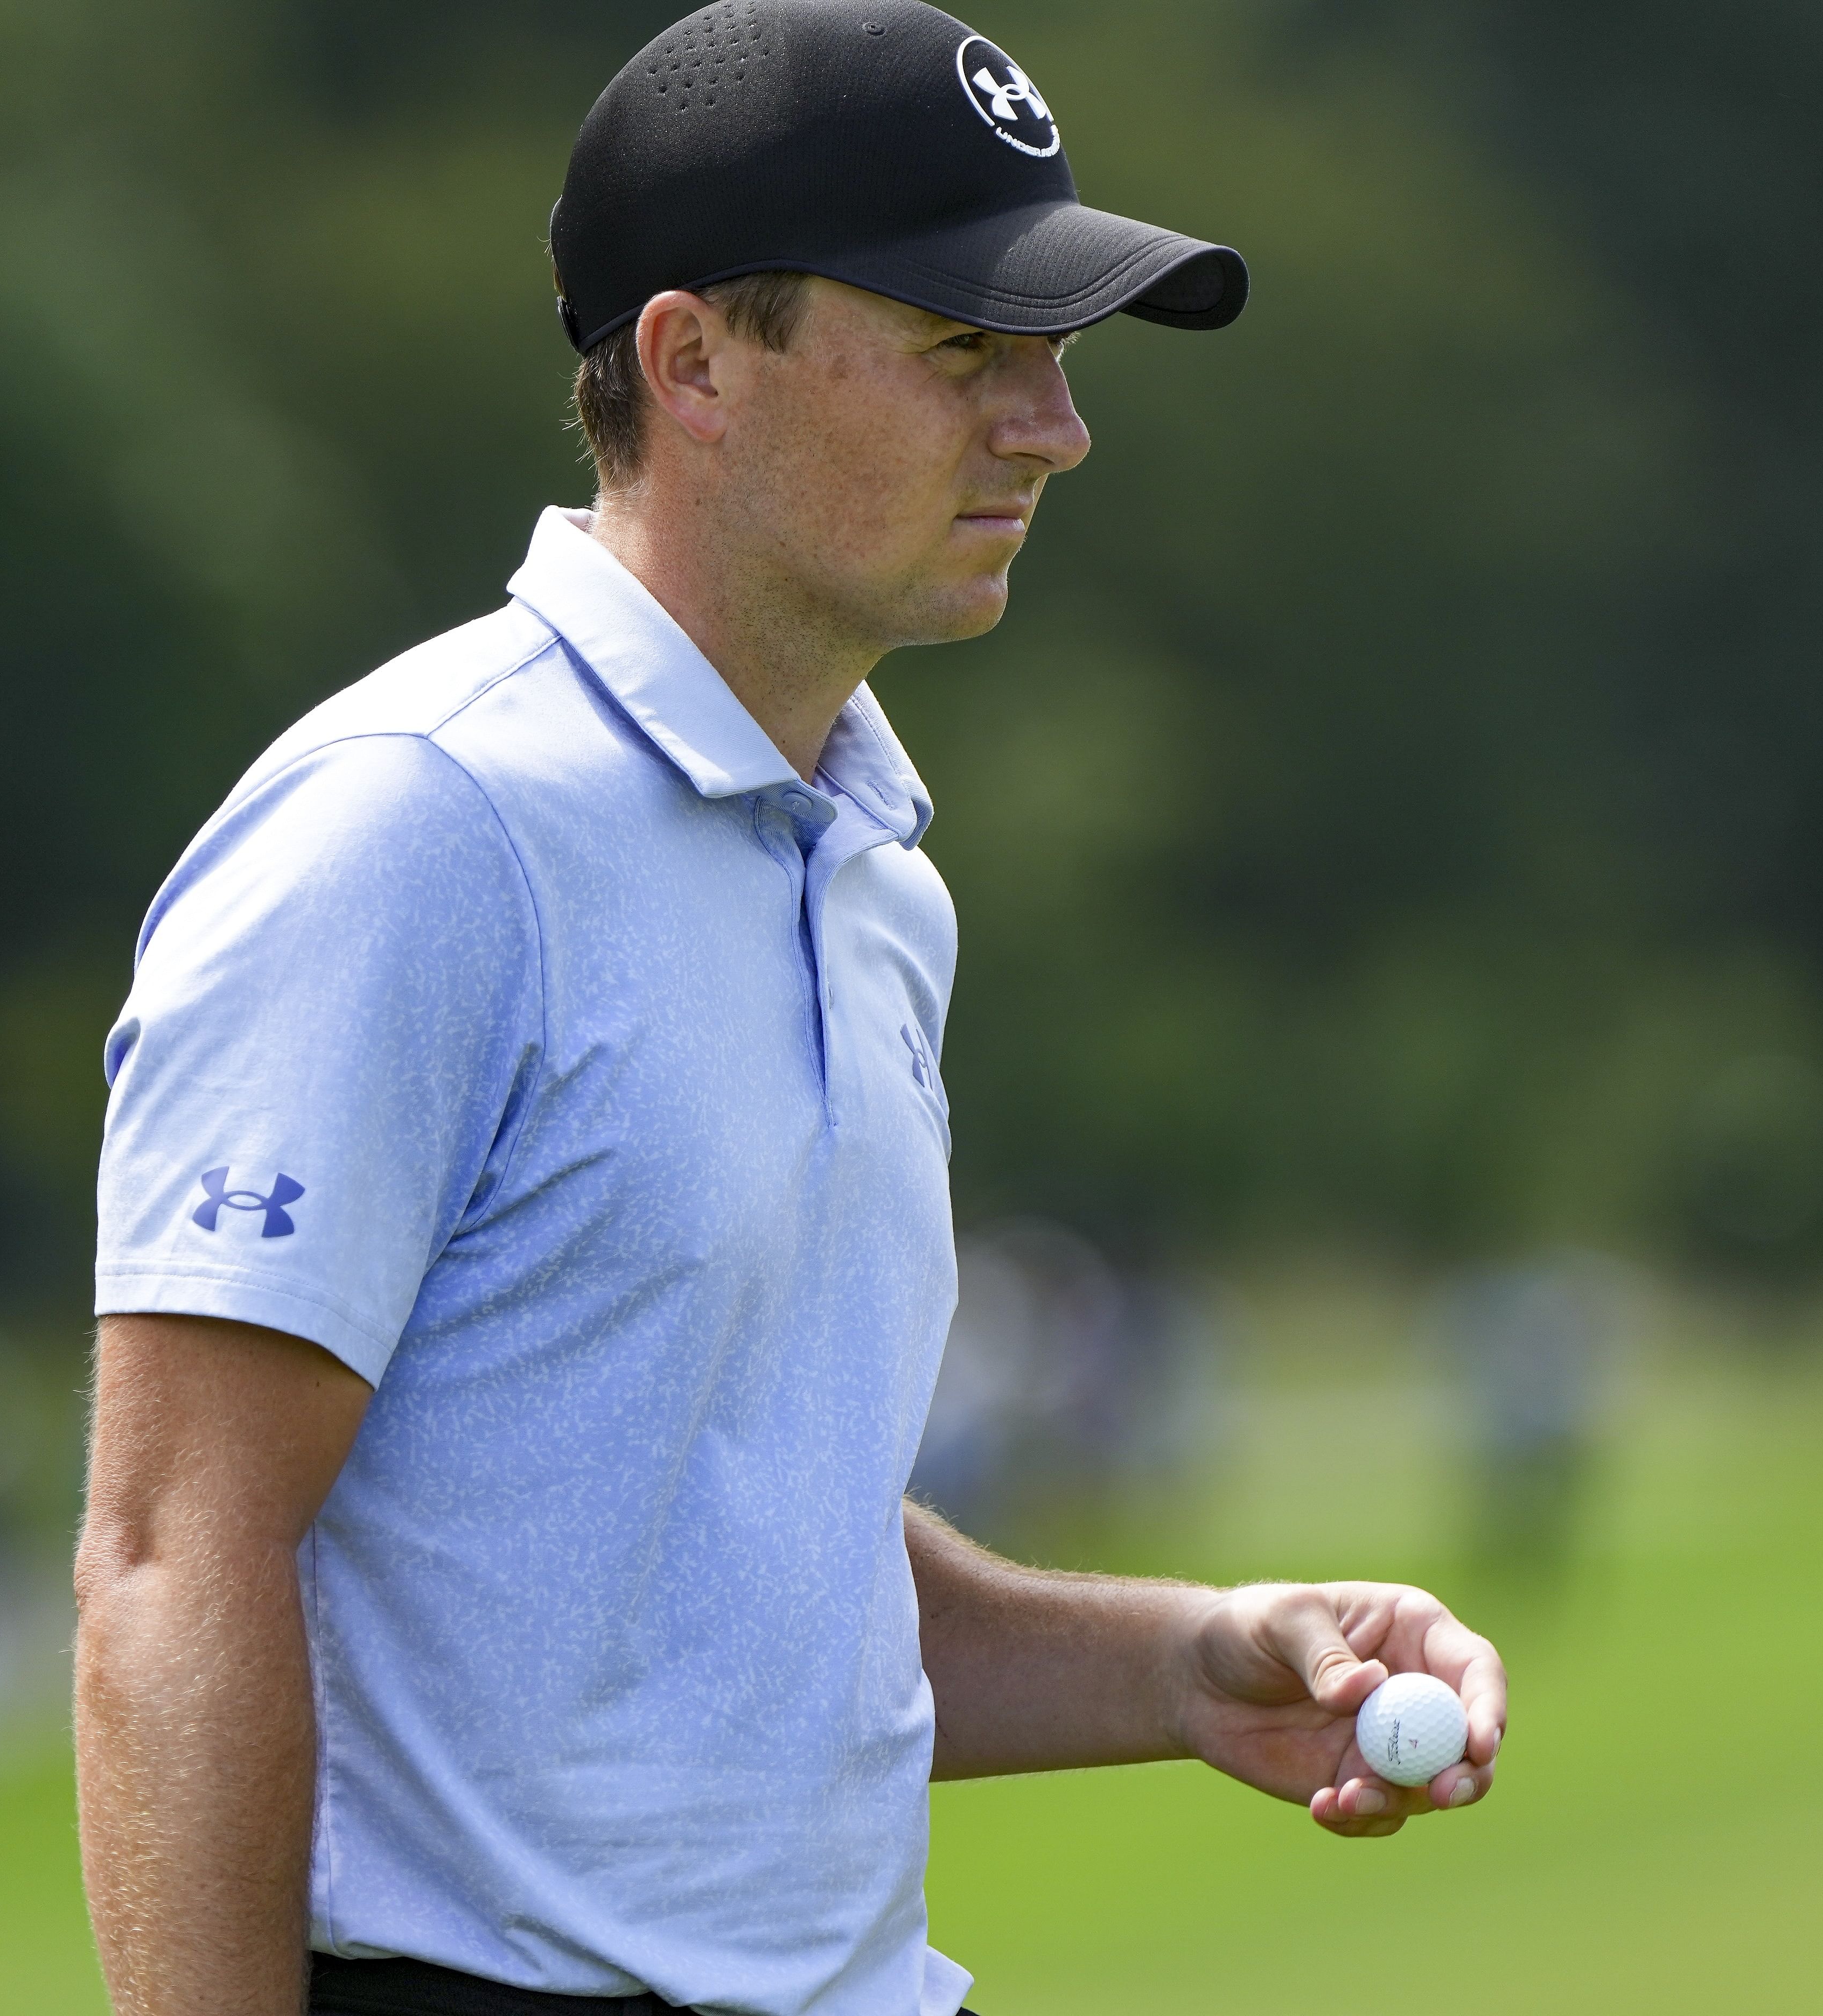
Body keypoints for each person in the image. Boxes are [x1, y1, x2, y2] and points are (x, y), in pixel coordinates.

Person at [76, 6, 1508, 2014]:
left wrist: (1192, 1661)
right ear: (692, 365)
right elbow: (170, 1562)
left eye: (1056, 356)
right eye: (962, 350)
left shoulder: (875, 872)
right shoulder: (414, 829)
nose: (1051, 423)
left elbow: (756, 1554)